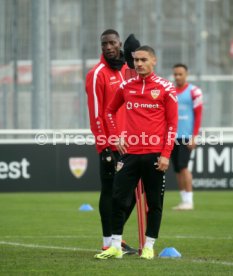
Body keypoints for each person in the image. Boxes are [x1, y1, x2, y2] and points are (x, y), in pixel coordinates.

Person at [94, 45, 178, 260]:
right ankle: (115, 246)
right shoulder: (126, 86)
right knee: (117, 199)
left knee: (154, 203)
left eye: (143, 60)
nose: (139, 64)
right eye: (136, 60)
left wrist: (166, 153)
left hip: (154, 155)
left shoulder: (166, 88)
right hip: (129, 154)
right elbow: (109, 112)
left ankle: (149, 246)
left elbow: (172, 124)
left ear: (154, 61)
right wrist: (115, 136)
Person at [85, 29, 140, 253]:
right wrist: (105, 145)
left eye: (112, 43)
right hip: (111, 144)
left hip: (133, 143)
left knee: (134, 193)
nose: (108, 47)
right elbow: (96, 114)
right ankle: (108, 242)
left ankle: (117, 237)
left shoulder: (128, 69)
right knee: (109, 191)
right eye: (104, 44)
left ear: (119, 44)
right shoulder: (97, 74)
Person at [171, 63, 203, 211]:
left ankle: (189, 200)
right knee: (177, 169)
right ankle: (183, 200)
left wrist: (194, 136)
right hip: (172, 136)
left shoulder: (194, 91)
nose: (177, 77)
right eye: (175, 74)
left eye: (180, 74)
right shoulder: (170, 91)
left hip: (186, 136)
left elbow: (198, 115)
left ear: (186, 74)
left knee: (184, 167)